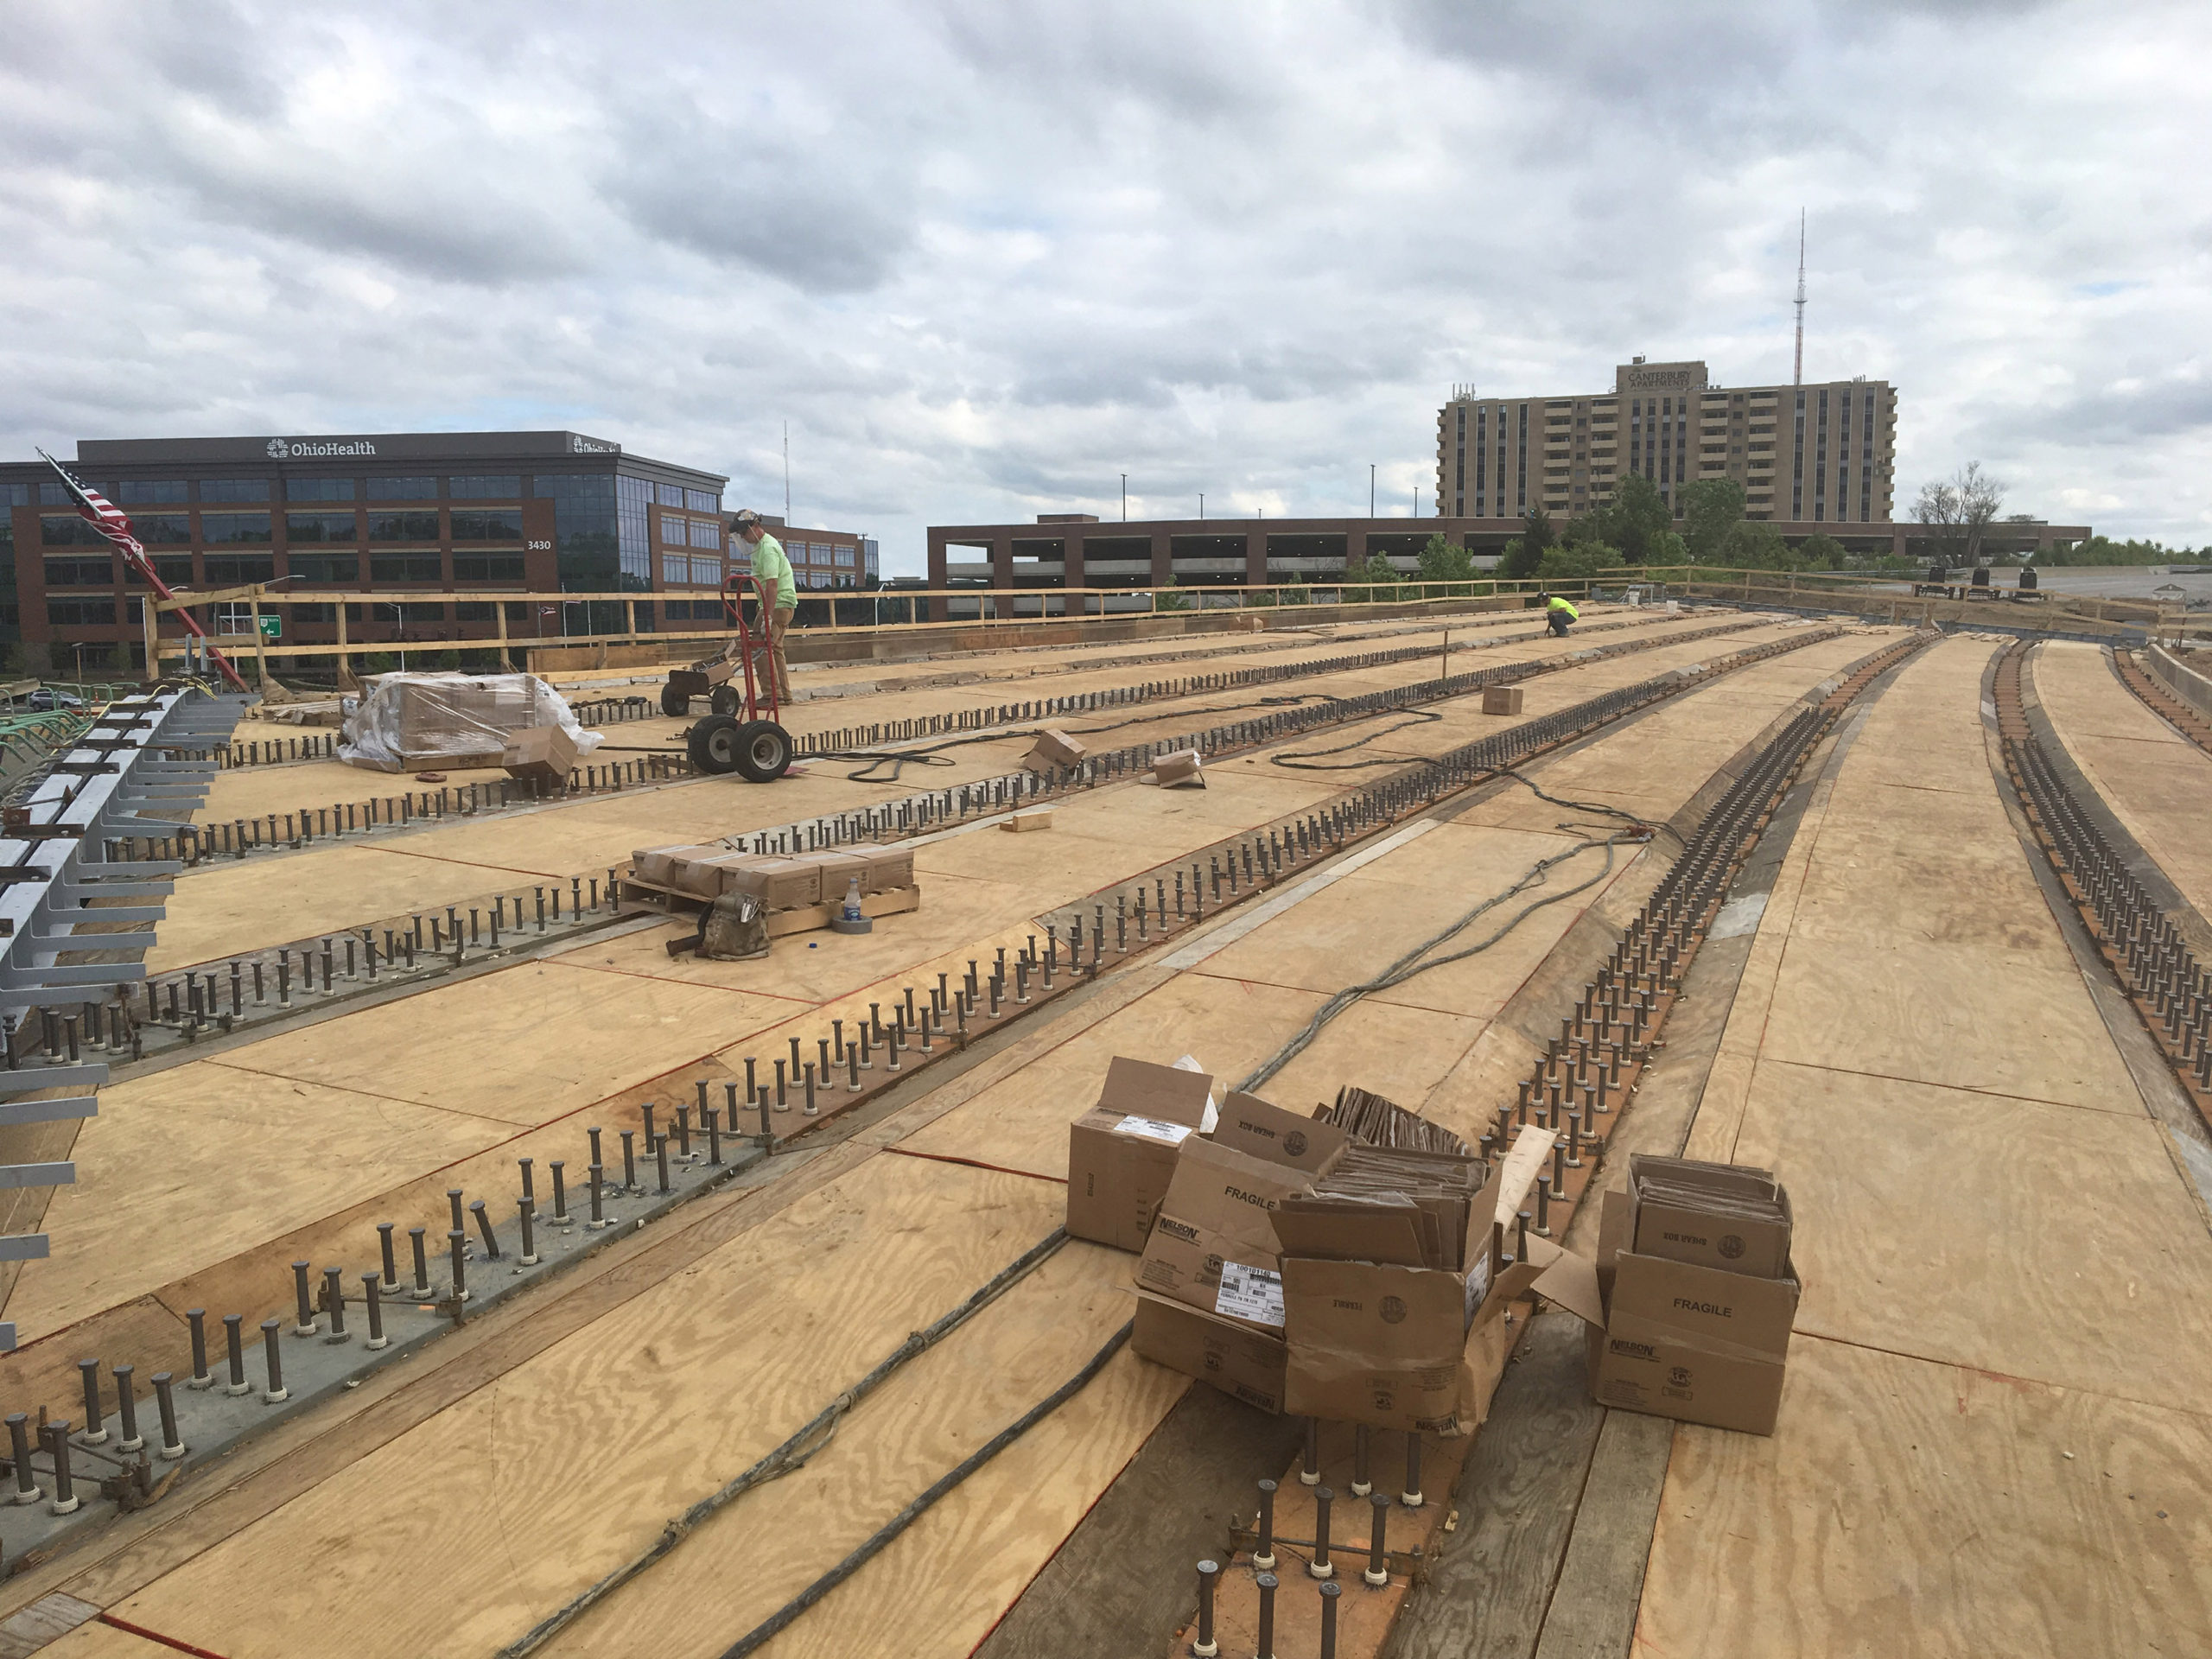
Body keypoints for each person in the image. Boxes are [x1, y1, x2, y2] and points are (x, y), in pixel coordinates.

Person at [732, 509, 797, 704]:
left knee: (759, 646)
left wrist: (767, 617)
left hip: (777, 604)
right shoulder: (758, 548)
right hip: (775, 604)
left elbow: (772, 584)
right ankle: (784, 695)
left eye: (743, 533)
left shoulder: (767, 548)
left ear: (754, 527)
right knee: (775, 648)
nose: (743, 537)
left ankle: (771, 695)